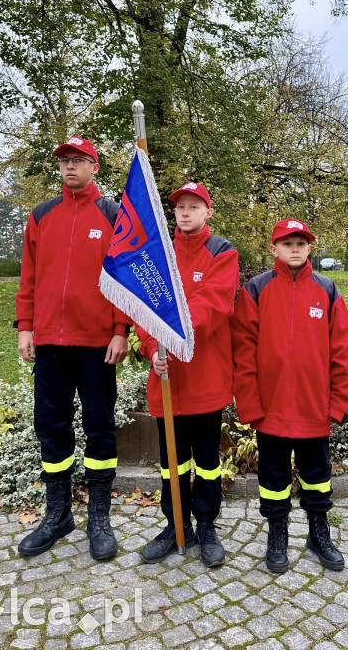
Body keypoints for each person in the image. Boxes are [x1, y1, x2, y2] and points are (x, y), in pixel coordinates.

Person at [15, 135, 130, 560]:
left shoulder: (114, 214)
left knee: (100, 428)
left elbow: (124, 280)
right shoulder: (42, 215)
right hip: (48, 343)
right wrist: (25, 326)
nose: (69, 167)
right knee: (51, 426)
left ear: (94, 167)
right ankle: (58, 514)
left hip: (97, 343)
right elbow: (28, 276)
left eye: (79, 160)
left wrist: (120, 330)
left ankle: (99, 517)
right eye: (64, 161)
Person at [231, 218, 348, 574]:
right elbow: (243, 351)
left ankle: (319, 534)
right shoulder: (256, 289)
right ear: (274, 249)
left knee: (318, 474)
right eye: (287, 243)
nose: (296, 248)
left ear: (310, 248)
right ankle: (277, 536)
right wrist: (250, 404)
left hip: (313, 408)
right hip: (269, 410)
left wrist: (339, 402)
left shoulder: (327, 290)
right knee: (272, 477)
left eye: (301, 242)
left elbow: (343, 350)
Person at [137, 182, 239, 567]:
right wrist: (152, 348)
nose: (185, 212)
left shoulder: (222, 252)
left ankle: (207, 525)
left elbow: (214, 305)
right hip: (166, 380)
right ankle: (176, 524)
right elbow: (143, 309)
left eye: (194, 206)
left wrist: (172, 334)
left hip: (206, 379)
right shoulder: (159, 254)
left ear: (208, 212)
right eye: (180, 206)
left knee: (207, 461)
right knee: (172, 463)